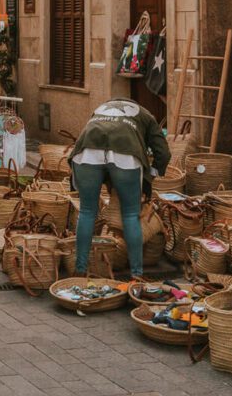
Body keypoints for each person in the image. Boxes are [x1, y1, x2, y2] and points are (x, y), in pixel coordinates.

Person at [68, 98, 171, 278]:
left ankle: (80, 269)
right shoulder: (147, 115)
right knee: (130, 214)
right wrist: (151, 175)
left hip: (86, 153)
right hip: (125, 155)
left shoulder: (100, 108)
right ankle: (137, 274)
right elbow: (163, 153)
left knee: (87, 211)